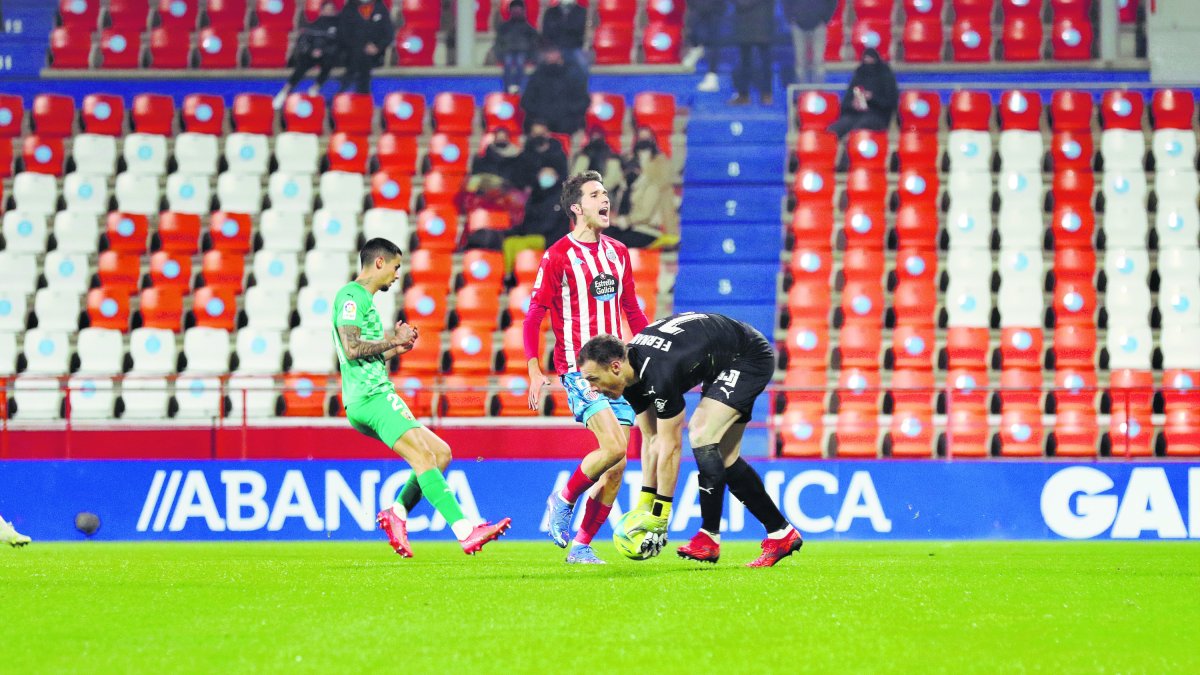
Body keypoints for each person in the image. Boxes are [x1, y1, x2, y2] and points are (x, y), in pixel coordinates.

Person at [575, 313, 805, 568]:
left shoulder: (660, 372)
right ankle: (780, 533)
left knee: (701, 432)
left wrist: (660, 515)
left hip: (748, 356)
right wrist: (646, 503)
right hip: (723, 360)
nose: (592, 388)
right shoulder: (630, 377)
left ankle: (709, 537)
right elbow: (652, 439)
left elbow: (671, 446)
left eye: (593, 379)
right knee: (726, 457)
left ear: (615, 366)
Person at [334, 238, 512, 557]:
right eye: (395, 267)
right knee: (423, 459)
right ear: (379, 263)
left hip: (365, 396)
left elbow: (360, 356)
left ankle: (398, 513)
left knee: (441, 453)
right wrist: (391, 340)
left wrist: (395, 349)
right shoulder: (351, 296)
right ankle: (465, 530)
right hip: (372, 396)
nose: (397, 274)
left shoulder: (362, 300)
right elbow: (351, 349)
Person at [525, 171, 651, 564]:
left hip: (619, 373)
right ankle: (562, 499)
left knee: (616, 466)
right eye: (596, 194)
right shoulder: (558, 256)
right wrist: (533, 368)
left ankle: (581, 545)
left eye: (606, 193)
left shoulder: (618, 251)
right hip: (581, 370)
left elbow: (632, 309)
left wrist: (652, 354)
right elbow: (534, 315)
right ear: (577, 208)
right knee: (613, 447)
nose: (606, 199)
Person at [616, 129, 680, 249]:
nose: (644, 142)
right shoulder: (631, 164)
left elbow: (657, 186)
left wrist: (644, 165)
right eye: (641, 138)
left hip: (654, 222)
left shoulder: (661, 162)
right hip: (631, 219)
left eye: (647, 138)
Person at [273, 0, 341, 109]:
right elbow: (303, 42)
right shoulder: (312, 25)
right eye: (326, 10)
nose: (328, 12)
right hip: (311, 54)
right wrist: (311, 51)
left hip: (327, 55)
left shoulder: (339, 28)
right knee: (301, 65)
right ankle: (285, 91)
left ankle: (315, 87)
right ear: (321, 11)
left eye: (331, 10)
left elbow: (338, 45)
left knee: (329, 63)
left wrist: (323, 51)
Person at [827, 47, 898, 138]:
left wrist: (872, 98)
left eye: (871, 60)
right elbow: (846, 102)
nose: (868, 64)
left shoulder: (885, 75)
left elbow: (890, 102)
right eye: (866, 60)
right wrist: (853, 104)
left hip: (877, 115)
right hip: (855, 114)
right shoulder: (859, 74)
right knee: (834, 129)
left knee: (859, 130)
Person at [520, 45, 590, 137]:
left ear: (560, 53)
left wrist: (567, 111)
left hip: (566, 121)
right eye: (548, 52)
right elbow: (526, 101)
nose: (550, 55)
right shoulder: (537, 76)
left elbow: (583, 101)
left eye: (553, 52)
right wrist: (540, 114)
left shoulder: (573, 75)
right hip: (541, 121)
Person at [337, 0, 394, 95]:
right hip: (352, 52)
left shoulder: (380, 7)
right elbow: (343, 34)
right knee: (361, 57)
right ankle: (363, 94)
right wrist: (360, 46)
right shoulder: (349, 8)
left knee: (363, 59)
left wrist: (377, 47)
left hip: (376, 54)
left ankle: (346, 87)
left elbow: (388, 34)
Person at [731, 0, 775, 105]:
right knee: (745, 62)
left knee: (764, 62)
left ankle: (765, 94)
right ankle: (745, 95)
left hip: (762, 24)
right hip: (746, 25)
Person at [784, 0, 838, 84]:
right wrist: (791, 17)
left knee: (818, 62)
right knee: (800, 62)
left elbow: (832, 2)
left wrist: (825, 18)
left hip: (819, 24)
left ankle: (818, 92)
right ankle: (802, 94)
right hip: (798, 24)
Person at [494, 0, 540, 93]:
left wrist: (532, 58)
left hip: (523, 52)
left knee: (519, 62)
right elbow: (499, 43)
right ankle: (507, 89)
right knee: (508, 63)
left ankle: (518, 88)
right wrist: (499, 56)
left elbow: (534, 44)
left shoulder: (528, 28)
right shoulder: (504, 28)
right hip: (508, 52)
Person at [685, 0, 727, 92]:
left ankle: (712, 77)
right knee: (693, 30)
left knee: (714, 41)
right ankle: (696, 49)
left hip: (715, 9)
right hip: (698, 8)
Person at [540, 0, 589, 74]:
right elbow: (546, 31)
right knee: (543, 62)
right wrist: (552, 50)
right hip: (554, 47)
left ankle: (581, 85)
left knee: (582, 64)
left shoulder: (582, 11)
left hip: (574, 46)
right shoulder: (550, 12)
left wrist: (562, 26)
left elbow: (579, 29)